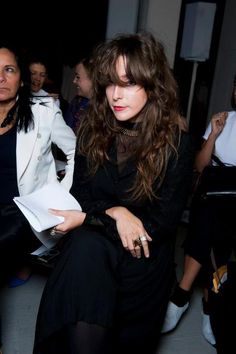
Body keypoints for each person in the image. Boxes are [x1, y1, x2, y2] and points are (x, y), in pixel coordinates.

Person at [33, 32, 193, 354]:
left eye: (128, 83)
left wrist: (95, 216)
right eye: (110, 83)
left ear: (152, 85)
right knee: (85, 250)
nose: (116, 95)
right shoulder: (94, 129)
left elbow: (159, 226)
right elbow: (81, 196)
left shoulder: (176, 142)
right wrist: (116, 213)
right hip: (95, 247)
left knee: (86, 248)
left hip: (142, 260)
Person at [161, 74, 236, 346]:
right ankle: (205, 304)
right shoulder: (223, 119)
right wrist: (214, 134)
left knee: (218, 231)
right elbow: (200, 166)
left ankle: (183, 296)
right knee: (208, 223)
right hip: (211, 193)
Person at [0, 42, 76, 283]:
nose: (0, 78)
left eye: (9, 69)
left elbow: (77, 151)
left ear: (22, 77)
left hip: (19, 210)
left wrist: (62, 198)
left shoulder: (43, 111)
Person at [64, 56, 93, 133]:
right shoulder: (76, 101)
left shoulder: (105, 109)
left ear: (92, 78)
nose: (74, 81)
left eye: (78, 77)